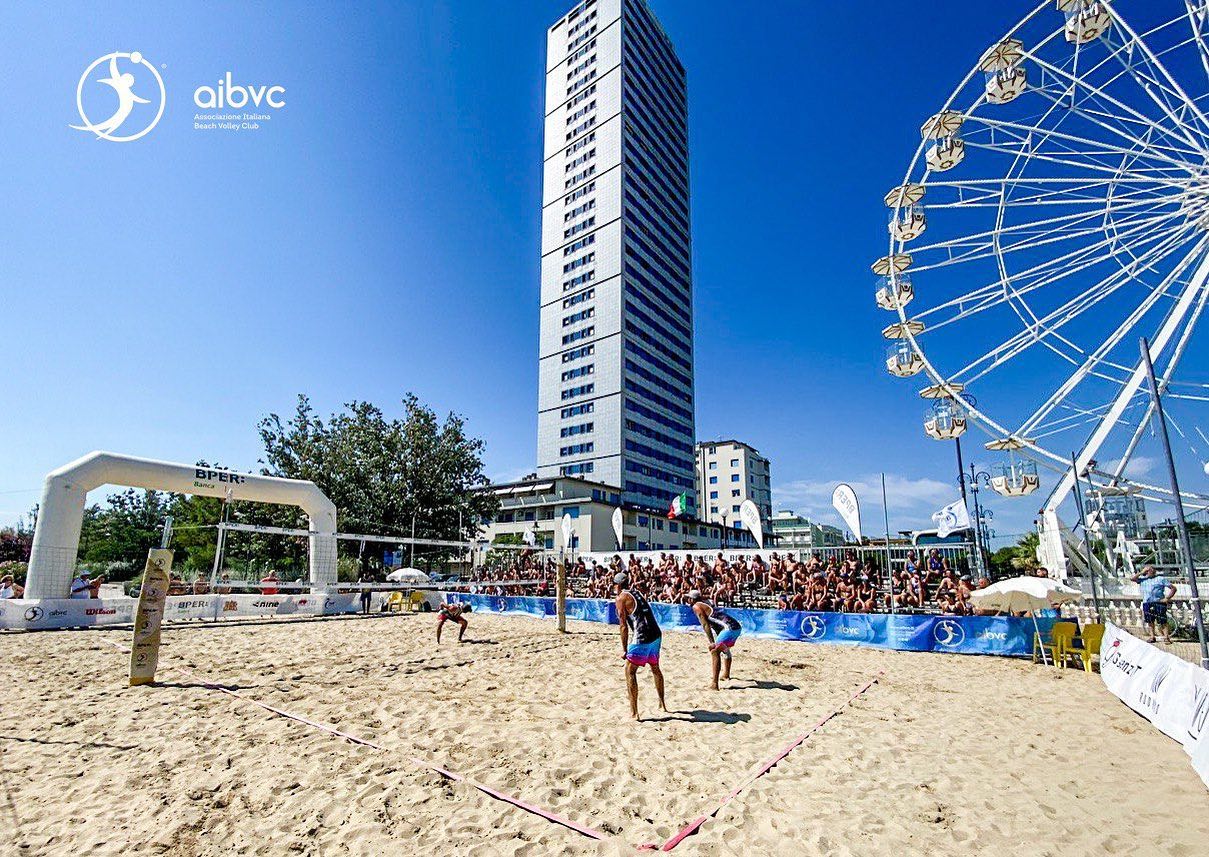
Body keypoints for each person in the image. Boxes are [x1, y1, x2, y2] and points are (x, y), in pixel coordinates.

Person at [615, 572, 667, 720]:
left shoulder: (621, 598)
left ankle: (634, 713)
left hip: (642, 635)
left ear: (618, 585)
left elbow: (623, 626)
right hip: (656, 633)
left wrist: (625, 649)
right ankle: (662, 704)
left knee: (630, 671)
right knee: (655, 668)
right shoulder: (636, 593)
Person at [689, 590, 742, 690]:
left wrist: (712, 642)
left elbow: (705, 625)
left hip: (728, 627)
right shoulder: (706, 602)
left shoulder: (696, 606)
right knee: (723, 648)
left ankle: (714, 684)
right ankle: (726, 674)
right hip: (736, 627)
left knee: (714, 650)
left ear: (692, 599)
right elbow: (716, 623)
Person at [1132, 565, 1176, 643]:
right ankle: (1152, 637)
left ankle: (1166, 637)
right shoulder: (1143, 579)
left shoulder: (1160, 579)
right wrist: (1142, 572)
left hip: (1158, 602)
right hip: (1147, 602)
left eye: (1149, 570)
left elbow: (1173, 588)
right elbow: (1132, 579)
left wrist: (1167, 598)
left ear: (1154, 571)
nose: (1148, 572)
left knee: (1162, 620)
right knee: (1150, 621)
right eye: (1147, 571)